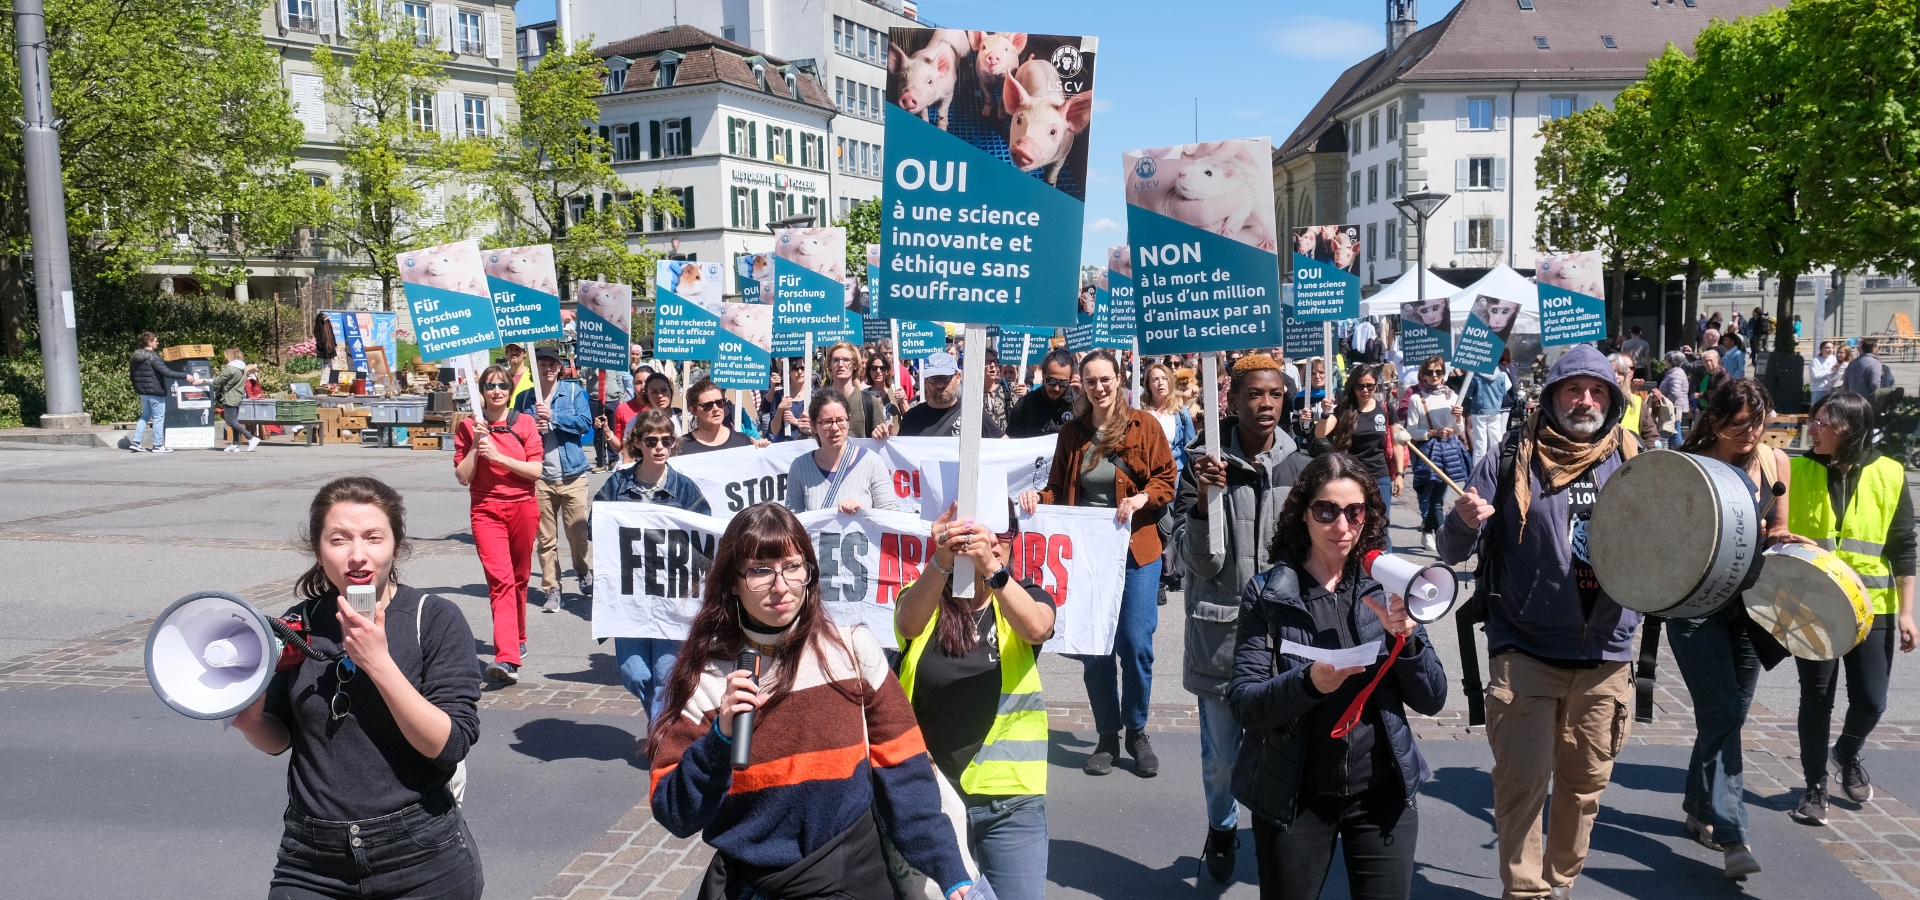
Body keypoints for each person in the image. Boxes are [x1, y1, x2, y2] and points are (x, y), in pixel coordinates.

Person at [648, 505, 974, 900]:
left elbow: (904, 770)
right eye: (760, 570)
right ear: (733, 582)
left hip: (850, 880)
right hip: (750, 885)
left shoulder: (852, 650)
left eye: (792, 566)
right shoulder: (708, 676)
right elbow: (675, 812)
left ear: (810, 572)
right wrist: (719, 739)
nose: (781, 585)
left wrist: (948, 869)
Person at [1438, 344, 1644, 900]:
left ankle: (1562, 884)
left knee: (1583, 790)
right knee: (1521, 787)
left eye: (1598, 390)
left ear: (1615, 399)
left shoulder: (1635, 459)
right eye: (1574, 389)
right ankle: (1526, 893)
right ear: (1551, 396)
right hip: (1524, 651)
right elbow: (1452, 546)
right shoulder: (1511, 456)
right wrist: (1461, 521)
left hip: (1606, 655)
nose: (1585, 400)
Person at [229, 477, 484, 899]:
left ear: (396, 546)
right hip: (311, 858)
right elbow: (280, 739)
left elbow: (450, 745)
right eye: (339, 540)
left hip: (420, 854)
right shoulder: (299, 624)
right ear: (318, 550)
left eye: (373, 538)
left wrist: (378, 663)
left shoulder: (434, 619)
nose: (358, 556)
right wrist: (252, 722)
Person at [1228, 452, 1447, 900]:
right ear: (1303, 514)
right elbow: (1245, 703)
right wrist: (1310, 683)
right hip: (1296, 793)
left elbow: (1432, 698)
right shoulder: (1268, 593)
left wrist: (1409, 639)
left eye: (1354, 511)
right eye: (1326, 511)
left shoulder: (1386, 584)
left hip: (1381, 792)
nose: (1342, 526)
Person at [1174, 353, 1313, 882]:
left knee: (1284, 752)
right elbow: (1201, 561)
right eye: (1255, 394)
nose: (1266, 404)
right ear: (1231, 399)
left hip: (1285, 640)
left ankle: (1278, 839)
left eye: (1275, 394)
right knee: (1222, 760)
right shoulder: (1200, 464)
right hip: (1222, 635)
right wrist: (1208, 494)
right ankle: (1222, 825)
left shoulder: (1301, 467)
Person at [1019, 349, 1176, 777]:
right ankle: (1107, 735)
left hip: (1136, 551)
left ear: (1119, 378)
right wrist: (1038, 499)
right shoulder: (1072, 433)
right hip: (1087, 556)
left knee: (1136, 644)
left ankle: (1136, 731)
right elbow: (1056, 488)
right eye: (1090, 381)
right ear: (1081, 386)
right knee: (1095, 649)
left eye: (1105, 379)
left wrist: (1144, 496)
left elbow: (1167, 476)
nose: (1099, 387)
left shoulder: (1146, 426)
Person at [1666, 379, 1796, 878]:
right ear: (1714, 419)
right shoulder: (1688, 463)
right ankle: (1732, 833)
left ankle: (1699, 809)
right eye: (1740, 423)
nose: (1751, 433)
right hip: (1694, 605)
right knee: (1721, 711)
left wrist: (1783, 535)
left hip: (1751, 605)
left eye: (1758, 423)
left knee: (1729, 715)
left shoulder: (1774, 461)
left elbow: (1778, 524)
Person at [896, 503, 1056, 900]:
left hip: (1010, 804)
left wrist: (992, 570)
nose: (991, 541)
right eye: (980, 533)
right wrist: (941, 560)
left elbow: (1037, 627)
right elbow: (907, 623)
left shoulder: (1025, 596)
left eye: (1002, 534)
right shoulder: (927, 600)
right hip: (932, 801)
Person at [1788, 392, 1919, 826]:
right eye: (1814, 421)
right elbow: (1777, 526)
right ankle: (1814, 786)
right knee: (1817, 697)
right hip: (1815, 603)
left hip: (1874, 606)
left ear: (1851, 428)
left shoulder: (1891, 474)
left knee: (1872, 700)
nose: (1814, 430)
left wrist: (1906, 613)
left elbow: (1903, 548)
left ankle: (1846, 750)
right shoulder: (1796, 468)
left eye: (1824, 422)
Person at [596, 409, 710, 751]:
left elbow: (703, 536)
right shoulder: (618, 484)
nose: (660, 447)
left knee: (664, 673)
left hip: (672, 594)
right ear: (638, 444)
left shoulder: (685, 488)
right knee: (634, 673)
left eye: (666, 440)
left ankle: (661, 739)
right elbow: (595, 528)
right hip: (629, 594)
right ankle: (661, 724)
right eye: (651, 441)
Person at [455, 365, 545, 685]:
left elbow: (535, 471)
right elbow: (464, 476)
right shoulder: (468, 426)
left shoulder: (524, 422)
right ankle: (506, 658)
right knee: (501, 582)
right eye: (490, 386)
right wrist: (476, 447)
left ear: (510, 390)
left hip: (523, 507)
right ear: (481, 391)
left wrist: (498, 456)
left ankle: (518, 637)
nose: (496, 391)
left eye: (502, 386)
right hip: (486, 510)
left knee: (520, 579)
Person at [515, 348, 595, 613]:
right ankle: (552, 589)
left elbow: (585, 423)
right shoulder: (526, 398)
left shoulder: (571, 392)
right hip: (540, 478)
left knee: (578, 534)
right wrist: (529, 427)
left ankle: (583, 570)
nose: (547, 369)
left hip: (572, 475)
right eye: (542, 364)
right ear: (534, 369)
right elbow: (513, 432)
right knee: (545, 540)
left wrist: (554, 418)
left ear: (560, 368)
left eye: (552, 364)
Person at [1314, 363, 1401, 535]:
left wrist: (1400, 475)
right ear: (1353, 386)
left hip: (1379, 475)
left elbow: (1397, 443)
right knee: (1355, 526)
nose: (1365, 390)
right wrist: (1325, 413)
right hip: (1352, 477)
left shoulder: (1386, 409)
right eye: (1360, 385)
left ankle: (1380, 560)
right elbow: (1320, 433)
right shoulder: (1344, 410)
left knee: (1381, 527)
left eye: (1370, 385)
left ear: (1376, 385)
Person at [786, 388, 903, 514]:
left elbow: (891, 515)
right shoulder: (800, 467)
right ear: (814, 426)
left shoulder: (872, 462)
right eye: (827, 422)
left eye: (840, 420)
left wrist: (864, 512)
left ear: (848, 422)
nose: (835, 428)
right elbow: (792, 524)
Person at [1401, 357, 1467, 552]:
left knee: (1437, 499)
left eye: (1438, 372)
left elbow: (1458, 429)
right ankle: (1429, 530)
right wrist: (1432, 433)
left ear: (1444, 374)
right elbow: (1411, 430)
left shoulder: (1452, 396)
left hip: (1447, 451)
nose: (1434, 376)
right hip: (1425, 451)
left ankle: (1441, 540)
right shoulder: (1416, 398)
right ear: (1423, 375)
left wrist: (1458, 417)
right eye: (1430, 372)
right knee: (1426, 495)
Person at [901, 352, 1006, 438]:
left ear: (958, 377)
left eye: (946, 378)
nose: (940, 385)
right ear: (926, 381)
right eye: (933, 379)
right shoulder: (911, 418)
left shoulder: (973, 415)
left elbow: (1005, 447)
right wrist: (885, 440)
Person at [128, 331, 201, 452]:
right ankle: (157, 445)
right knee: (158, 418)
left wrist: (138, 388)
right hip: (155, 392)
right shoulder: (153, 357)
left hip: (143, 393)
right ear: (150, 342)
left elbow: (132, 376)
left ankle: (136, 442)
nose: (158, 343)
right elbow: (166, 372)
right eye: (156, 341)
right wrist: (185, 376)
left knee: (145, 416)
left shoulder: (135, 357)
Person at [824, 341, 892, 439]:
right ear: (830, 364)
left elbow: (881, 442)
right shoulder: (820, 402)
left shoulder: (870, 402)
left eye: (846, 360)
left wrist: (880, 434)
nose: (840, 364)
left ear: (855, 364)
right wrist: (805, 431)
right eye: (836, 360)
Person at [679, 379, 765, 454]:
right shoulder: (681, 447)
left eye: (720, 402)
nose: (716, 408)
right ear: (693, 410)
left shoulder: (742, 441)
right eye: (708, 405)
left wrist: (761, 452)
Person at [1007, 349, 1078, 438]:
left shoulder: (1079, 403)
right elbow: (1013, 444)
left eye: (1063, 383)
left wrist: (1085, 399)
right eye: (1051, 381)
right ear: (1043, 374)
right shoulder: (1024, 405)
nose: (1056, 388)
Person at [1463, 364, 1514, 469]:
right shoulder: (1502, 375)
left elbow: (1469, 393)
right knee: (1495, 438)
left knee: (1480, 442)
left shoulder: (1475, 374)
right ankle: (1498, 464)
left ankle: (1478, 468)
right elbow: (1505, 390)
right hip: (1495, 410)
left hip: (1479, 410)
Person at [211, 347, 261, 452]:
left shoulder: (231, 368)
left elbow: (218, 380)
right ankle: (234, 444)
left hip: (230, 397)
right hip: (238, 396)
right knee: (234, 421)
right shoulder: (242, 368)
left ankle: (251, 438)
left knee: (230, 421)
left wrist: (204, 380)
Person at [1660, 350, 1694, 445]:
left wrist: (1665, 401)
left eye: (1666, 360)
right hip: (1674, 405)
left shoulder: (1676, 374)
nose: (1665, 362)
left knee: (1675, 430)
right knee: (1674, 430)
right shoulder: (1674, 372)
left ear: (1672, 361)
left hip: (1674, 406)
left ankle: (1677, 451)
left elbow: (1675, 393)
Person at [866, 352, 910, 422]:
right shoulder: (864, 395)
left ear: (887, 371)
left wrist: (903, 401)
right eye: (874, 368)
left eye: (882, 368)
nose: (878, 371)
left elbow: (909, 418)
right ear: (869, 371)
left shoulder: (895, 390)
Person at [1811, 341, 1842, 406]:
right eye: (1827, 348)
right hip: (1819, 390)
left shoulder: (1833, 358)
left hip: (1831, 389)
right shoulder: (1816, 360)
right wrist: (1830, 371)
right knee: (1818, 410)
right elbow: (1815, 376)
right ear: (1821, 349)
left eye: (1832, 348)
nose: (1830, 350)